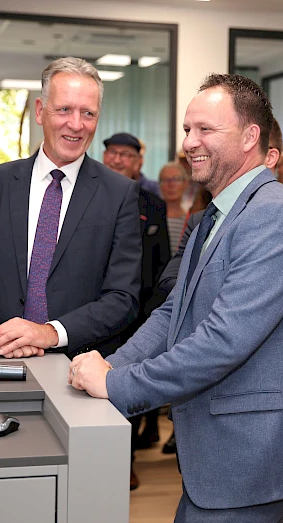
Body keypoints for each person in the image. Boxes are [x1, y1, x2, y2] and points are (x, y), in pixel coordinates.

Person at [69, 74, 283, 523]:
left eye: (205, 130)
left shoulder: (273, 216)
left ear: (251, 136)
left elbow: (223, 341)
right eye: (188, 130)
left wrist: (117, 386)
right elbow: (174, 311)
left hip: (253, 454)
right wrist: (109, 364)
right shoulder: (217, 212)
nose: (189, 142)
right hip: (227, 450)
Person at [0, 57, 142, 360]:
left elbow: (122, 298)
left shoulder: (120, 194)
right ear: (40, 111)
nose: (76, 124)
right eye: (64, 109)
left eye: (87, 113)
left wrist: (50, 333)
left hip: (78, 369)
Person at [102, 131, 171, 489]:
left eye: (126, 155)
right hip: (94, 314)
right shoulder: (91, 196)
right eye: (112, 153)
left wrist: (151, 315)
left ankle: (124, 461)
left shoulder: (152, 204)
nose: (118, 160)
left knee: (126, 390)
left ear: (139, 162)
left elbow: (161, 266)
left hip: (137, 317)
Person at [159, 162, 190, 252]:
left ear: (185, 183)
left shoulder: (191, 220)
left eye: (176, 179)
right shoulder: (152, 218)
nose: (171, 185)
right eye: (165, 180)